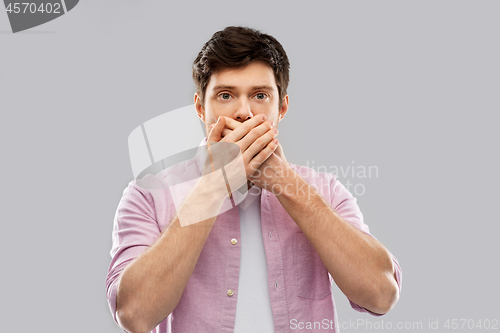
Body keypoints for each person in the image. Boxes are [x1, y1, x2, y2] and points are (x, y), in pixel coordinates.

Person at [106, 26, 402, 333]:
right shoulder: (148, 195)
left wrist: (286, 184)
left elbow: (381, 294)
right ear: (199, 107)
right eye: (225, 95)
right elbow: (134, 314)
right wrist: (214, 187)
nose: (244, 112)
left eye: (260, 95)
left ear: (282, 107)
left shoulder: (326, 190)